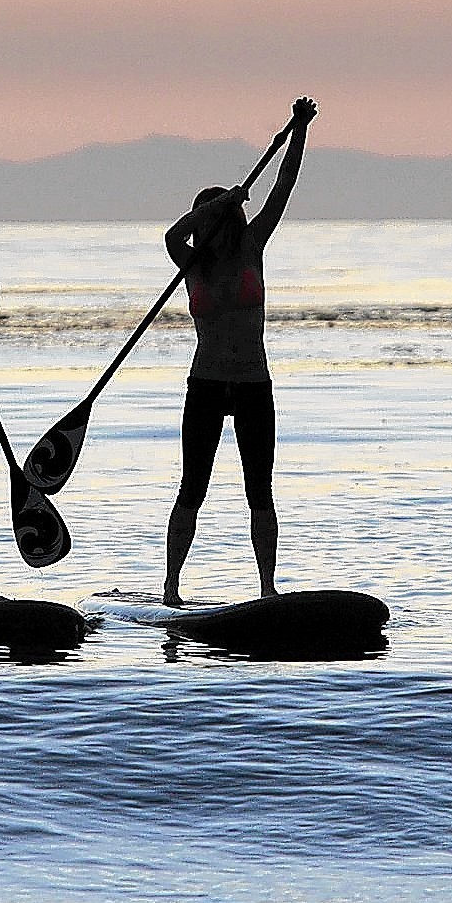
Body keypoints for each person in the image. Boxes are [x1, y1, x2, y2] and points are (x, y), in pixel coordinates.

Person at [160, 96, 318, 606]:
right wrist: (215, 204)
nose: (227, 224)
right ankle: (171, 587)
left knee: (260, 490)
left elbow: (284, 186)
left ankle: (267, 586)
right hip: (205, 384)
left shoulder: (253, 246)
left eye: (230, 216)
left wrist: (299, 129)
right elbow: (172, 233)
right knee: (193, 487)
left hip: (253, 383)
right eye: (219, 218)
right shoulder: (192, 262)